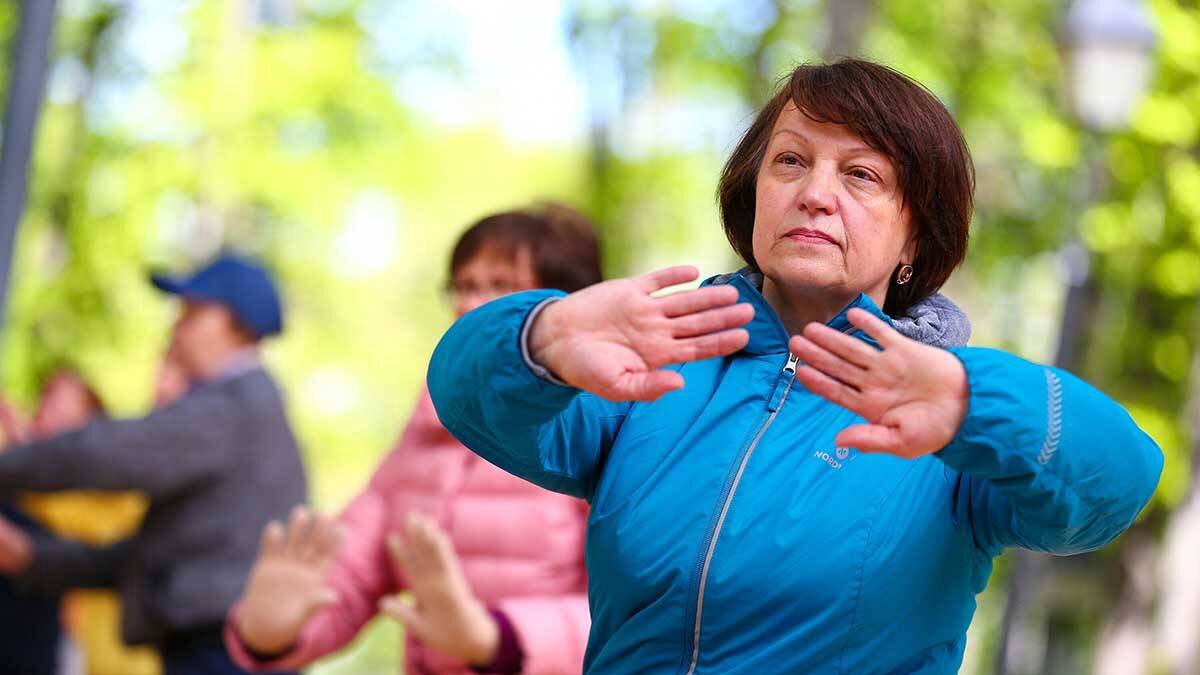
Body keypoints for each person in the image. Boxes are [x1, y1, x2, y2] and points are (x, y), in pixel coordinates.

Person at [424, 60, 1164, 673]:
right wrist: (541, 335)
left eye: (862, 176)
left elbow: (1119, 481)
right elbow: (464, 395)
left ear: (915, 238)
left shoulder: (945, 414)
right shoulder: (658, 365)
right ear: (753, 199)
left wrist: (975, 402)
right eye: (791, 161)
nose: (814, 193)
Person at [224, 204, 599, 674]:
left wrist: (497, 639)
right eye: (463, 286)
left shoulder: (604, 427)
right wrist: (268, 632)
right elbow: (351, 576)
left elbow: (650, 611)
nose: (468, 305)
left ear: (571, 305)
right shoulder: (422, 438)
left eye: (500, 286)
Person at [0, 253, 307, 675]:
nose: (175, 326)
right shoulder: (248, 411)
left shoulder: (233, 405)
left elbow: (105, 454)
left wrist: (10, 463)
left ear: (237, 325)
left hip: (215, 653)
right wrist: (32, 558)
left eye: (193, 313)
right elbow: (151, 554)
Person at [0, 368, 162, 675]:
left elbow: (83, 523)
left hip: (111, 656)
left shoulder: (116, 493)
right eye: (45, 402)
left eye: (61, 407)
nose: (47, 414)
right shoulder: (24, 493)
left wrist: (24, 452)